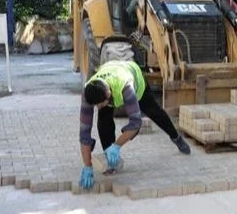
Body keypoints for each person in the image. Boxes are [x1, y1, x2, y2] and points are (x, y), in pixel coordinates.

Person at [78, 59, 191, 190]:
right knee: (104, 122)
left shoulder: (126, 87)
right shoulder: (88, 93)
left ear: (108, 95)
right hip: (111, 73)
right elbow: (84, 133)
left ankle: (176, 137)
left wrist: (116, 146)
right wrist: (87, 166)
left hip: (134, 78)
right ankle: (109, 162)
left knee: (154, 112)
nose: (98, 107)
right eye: (95, 105)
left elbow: (136, 122)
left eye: (100, 104)